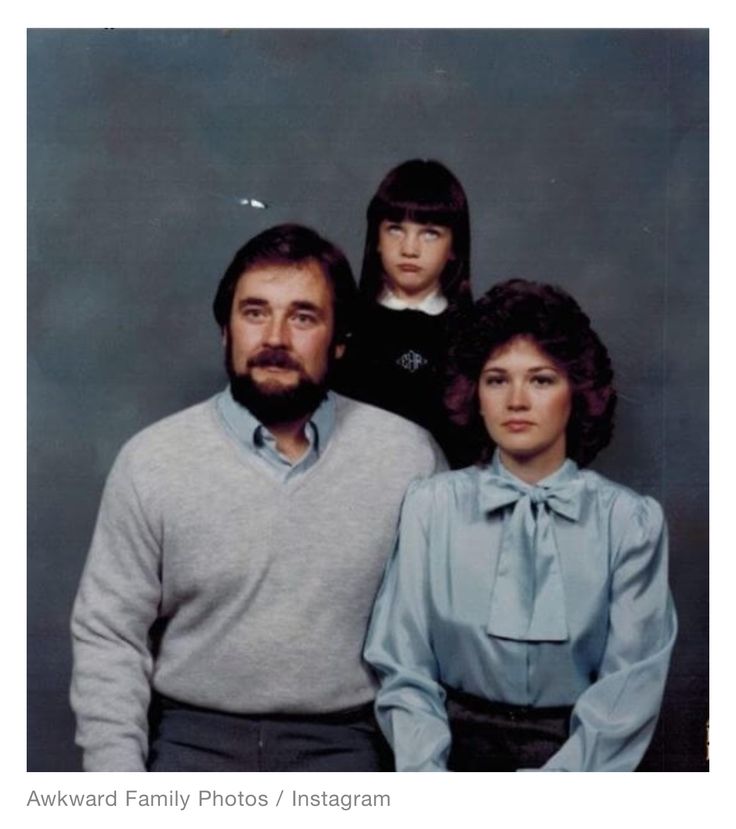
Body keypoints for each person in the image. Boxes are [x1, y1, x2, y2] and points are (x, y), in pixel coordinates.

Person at [70, 223, 445, 772]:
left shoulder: (407, 457)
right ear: (226, 331)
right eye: (254, 312)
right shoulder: (152, 460)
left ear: (340, 340)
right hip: (190, 742)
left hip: (346, 746)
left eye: (303, 317)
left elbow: (438, 637)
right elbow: (108, 636)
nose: (274, 337)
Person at [364, 279, 677, 772]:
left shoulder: (628, 522)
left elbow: (629, 688)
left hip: (582, 761)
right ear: (475, 394)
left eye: (541, 380)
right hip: (441, 753)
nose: (516, 400)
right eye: (496, 379)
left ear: (576, 391)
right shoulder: (431, 505)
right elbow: (403, 663)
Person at [333, 159, 474, 466]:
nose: (409, 248)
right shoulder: (343, 323)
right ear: (377, 241)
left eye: (430, 233)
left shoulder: (473, 333)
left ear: (454, 248)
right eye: (395, 229)